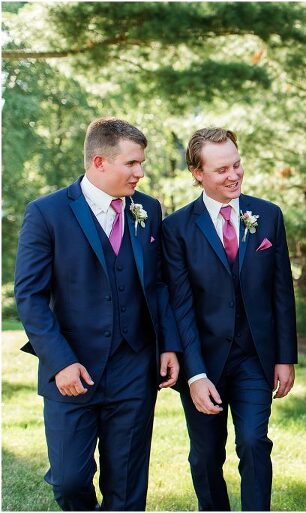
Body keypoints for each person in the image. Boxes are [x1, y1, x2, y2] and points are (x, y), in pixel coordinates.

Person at [14, 117, 181, 510]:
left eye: (142, 163)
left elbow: (158, 285)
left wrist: (169, 346)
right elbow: (30, 296)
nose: (140, 173)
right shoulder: (47, 213)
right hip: (73, 368)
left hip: (135, 367)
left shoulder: (148, 209)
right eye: (132, 163)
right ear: (100, 162)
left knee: (127, 486)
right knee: (70, 480)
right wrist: (60, 363)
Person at [162, 127, 297, 511]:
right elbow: (180, 306)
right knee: (206, 456)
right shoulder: (176, 228)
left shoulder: (268, 216)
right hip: (204, 359)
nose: (234, 175)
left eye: (236, 164)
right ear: (197, 173)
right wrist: (195, 375)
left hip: (255, 356)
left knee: (254, 442)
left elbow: (281, 291)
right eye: (221, 169)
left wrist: (284, 357)